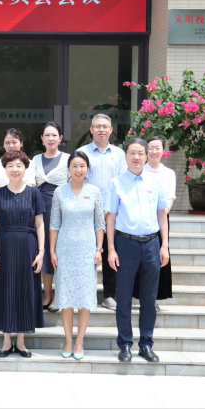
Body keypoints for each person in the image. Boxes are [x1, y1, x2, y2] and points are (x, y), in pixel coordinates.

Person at [105, 138, 169, 363]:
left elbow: (162, 215)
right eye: (132, 153)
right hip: (125, 244)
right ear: (125, 156)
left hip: (151, 244)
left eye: (141, 153)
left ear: (146, 155)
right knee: (123, 297)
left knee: (149, 298)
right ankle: (124, 344)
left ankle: (146, 344)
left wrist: (165, 245)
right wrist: (110, 249)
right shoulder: (116, 183)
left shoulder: (156, 181)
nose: (136, 157)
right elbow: (110, 218)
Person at [0, 151, 45, 358]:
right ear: (5, 169)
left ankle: (21, 341)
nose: (15, 169)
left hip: (28, 246)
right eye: (10, 166)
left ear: (25, 168)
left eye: (19, 165)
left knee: (25, 290)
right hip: (4, 245)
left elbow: (40, 224)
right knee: (6, 290)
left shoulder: (34, 194)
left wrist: (41, 252)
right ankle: (6, 340)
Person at [49, 151, 105, 360]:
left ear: (87, 168)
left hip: (87, 251)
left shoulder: (95, 191)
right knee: (66, 298)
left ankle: (80, 341)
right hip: (64, 250)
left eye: (82, 166)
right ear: (69, 169)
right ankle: (68, 340)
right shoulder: (59, 192)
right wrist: (52, 251)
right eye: (74, 166)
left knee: (84, 297)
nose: (78, 170)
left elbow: (99, 223)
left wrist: (99, 249)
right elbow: (54, 223)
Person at [79, 114, 127, 311]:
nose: (101, 129)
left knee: (110, 253)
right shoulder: (82, 152)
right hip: (87, 211)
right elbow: (77, 180)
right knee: (86, 254)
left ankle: (109, 295)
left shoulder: (119, 154)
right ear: (91, 130)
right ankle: (84, 295)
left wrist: (111, 209)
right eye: (97, 126)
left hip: (113, 213)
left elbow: (124, 182)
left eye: (105, 126)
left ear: (110, 130)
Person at [134, 136, 176, 310]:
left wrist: (160, 215)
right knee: (138, 259)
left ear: (163, 151)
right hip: (139, 221)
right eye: (150, 148)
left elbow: (170, 198)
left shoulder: (169, 173)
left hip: (161, 221)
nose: (154, 151)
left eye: (157, 148)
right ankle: (138, 296)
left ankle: (153, 299)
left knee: (158, 259)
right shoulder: (138, 170)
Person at [32, 122, 70, 314]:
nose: (51, 138)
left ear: (60, 138)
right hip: (40, 210)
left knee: (59, 253)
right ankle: (47, 295)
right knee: (45, 252)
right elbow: (31, 184)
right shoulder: (35, 159)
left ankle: (59, 295)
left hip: (62, 210)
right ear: (42, 138)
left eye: (54, 135)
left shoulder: (68, 159)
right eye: (47, 135)